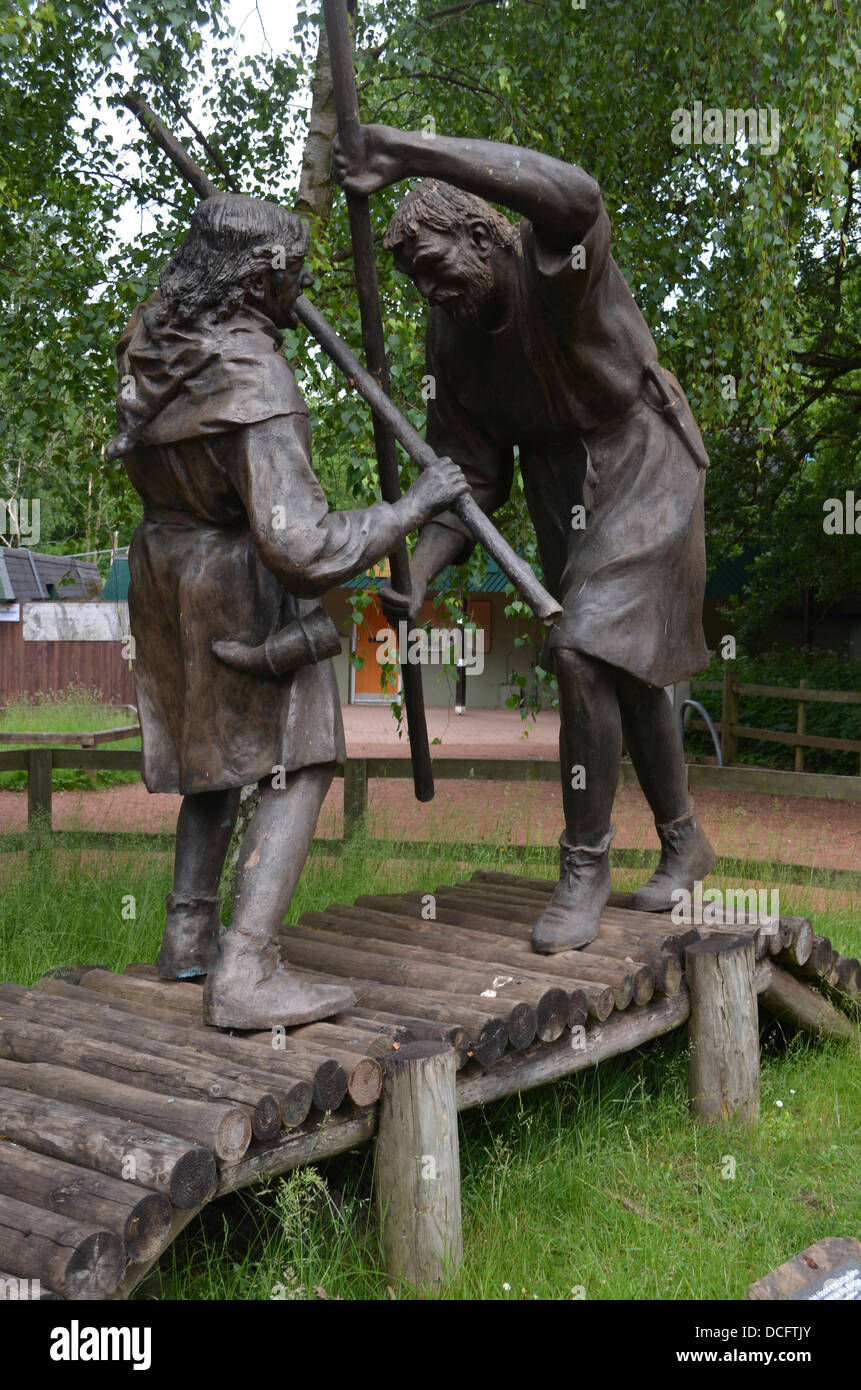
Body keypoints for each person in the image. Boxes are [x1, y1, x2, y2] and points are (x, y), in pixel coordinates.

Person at [333, 126, 716, 953]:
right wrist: (423, 571)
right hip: (558, 489)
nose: (431, 294)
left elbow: (575, 192)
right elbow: (465, 476)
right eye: (416, 285)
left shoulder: (559, 271)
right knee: (627, 668)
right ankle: (684, 840)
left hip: (643, 461)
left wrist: (406, 150)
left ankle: (585, 861)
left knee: (582, 650)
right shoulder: (452, 338)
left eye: (434, 269)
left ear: (480, 236)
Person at [106, 192, 468, 1026]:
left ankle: (187, 939)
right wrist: (411, 507)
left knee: (215, 749)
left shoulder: (153, 345)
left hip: (166, 577)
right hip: (235, 582)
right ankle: (247, 970)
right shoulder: (251, 378)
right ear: (261, 275)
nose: (301, 293)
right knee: (297, 755)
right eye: (294, 274)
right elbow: (299, 545)